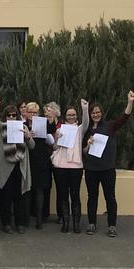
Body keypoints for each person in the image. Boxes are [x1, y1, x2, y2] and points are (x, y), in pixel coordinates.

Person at [83, 91, 133, 237]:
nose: (96, 114)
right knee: (92, 197)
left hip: (107, 169)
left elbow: (124, 118)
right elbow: (84, 151)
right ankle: (92, 224)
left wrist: (130, 102)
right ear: (90, 114)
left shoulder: (110, 126)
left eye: (98, 112)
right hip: (91, 169)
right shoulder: (87, 129)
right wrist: (88, 144)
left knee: (110, 197)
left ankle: (112, 226)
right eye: (93, 112)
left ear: (101, 113)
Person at [0, 100, 35, 234]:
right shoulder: (2, 127)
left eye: (14, 115)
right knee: (6, 197)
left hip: (19, 166)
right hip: (5, 167)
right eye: (9, 115)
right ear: (5, 116)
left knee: (20, 197)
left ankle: (20, 223)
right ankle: (6, 223)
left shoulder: (23, 127)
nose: (11, 117)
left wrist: (28, 137)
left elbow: (32, 146)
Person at [51, 101, 88, 233]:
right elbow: (54, 147)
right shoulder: (60, 129)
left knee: (75, 195)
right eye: (69, 115)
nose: (71, 117)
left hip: (76, 167)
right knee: (63, 195)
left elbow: (86, 121)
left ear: (76, 116)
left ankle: (76, 223)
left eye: (73, 114)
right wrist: (56, 138)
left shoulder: (80, 129)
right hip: (60, 166)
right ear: (65, 116)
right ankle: (65, 222)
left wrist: (85, 109)